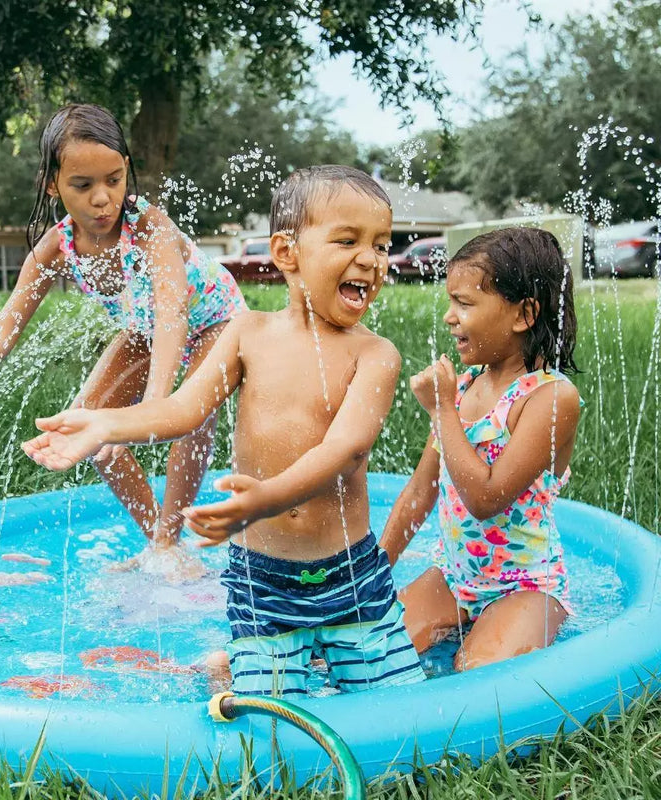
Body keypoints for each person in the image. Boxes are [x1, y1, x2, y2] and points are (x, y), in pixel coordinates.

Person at [22, 165, 425, 697]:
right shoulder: (247, 333)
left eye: (381, 243)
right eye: (348, 240)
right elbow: (184, 410)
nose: (371, 259)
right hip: (262, 581)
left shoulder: (375, 354)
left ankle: (252, 665)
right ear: (287, 254)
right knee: (273, 722)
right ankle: (236, 666)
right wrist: (103, 424)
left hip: (351, 577)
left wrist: (263, 500)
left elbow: (347, 448)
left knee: (399, 709)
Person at [0, 104, 247, 579]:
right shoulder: (57, 247)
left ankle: (171, 538)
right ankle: (161, 544)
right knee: (84, 427)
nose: (102, 198)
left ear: (126, 169)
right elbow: (1, 330)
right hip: (146, 330)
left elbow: (173, 314)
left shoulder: (151, 228)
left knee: (190, 418)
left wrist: (151, 407)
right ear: (53, 184)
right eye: (83, 185)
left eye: (113, 179)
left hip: (215, 320)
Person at [380, 227, 581, 671]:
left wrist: (442, 410)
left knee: (475, 673)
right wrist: (371, 575)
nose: (449, 317)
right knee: (372, 654)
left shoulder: (549, 398)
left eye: (465, 304)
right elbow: (419, 493)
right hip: (454, 575)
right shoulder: (465, 386)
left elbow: (486, 500)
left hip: (526, 584)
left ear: (523, 314)